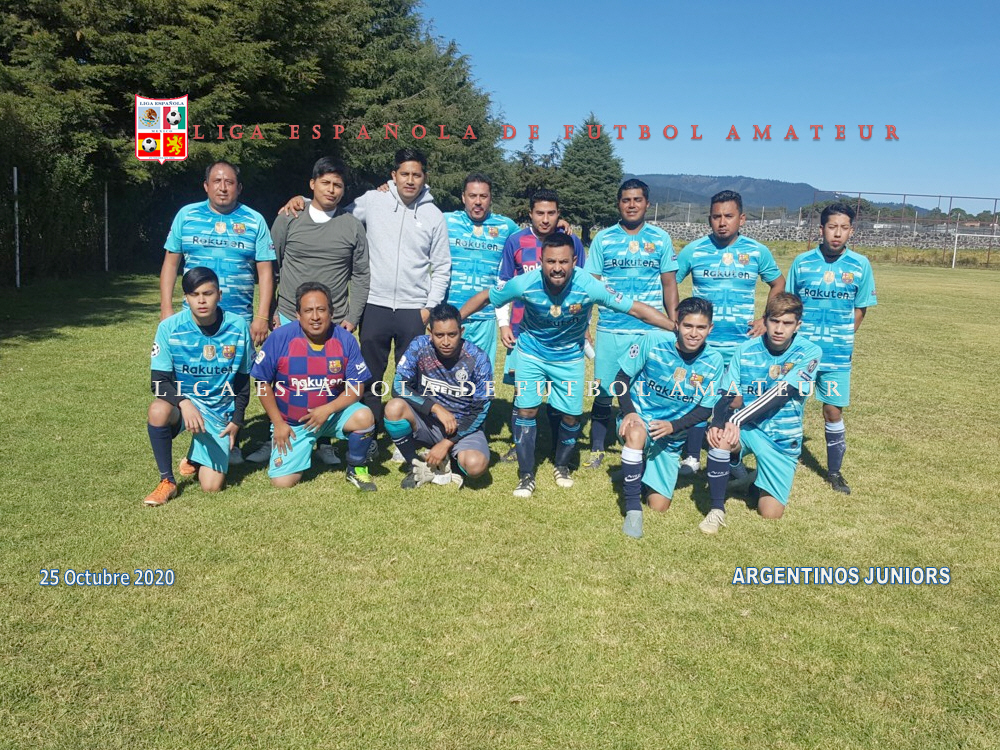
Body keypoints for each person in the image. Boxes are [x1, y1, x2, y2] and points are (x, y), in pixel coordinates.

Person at [461, 234, 675, 497]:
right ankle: (526, 474)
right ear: (541, 261)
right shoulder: (525, 283)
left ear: (574, 261)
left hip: (569, 359)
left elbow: (635, 309)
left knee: (572, 416)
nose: (557, 268)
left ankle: (561, 466)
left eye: (563, 261)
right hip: (531, 355)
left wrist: (673, 326)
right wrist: (455, 318)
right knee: (526, 411)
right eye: (550, 261)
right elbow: (486, 297)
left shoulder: (589, 286)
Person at [279, 149, 450, 446]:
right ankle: (368, 434)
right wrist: (303, 201)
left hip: (414, 308)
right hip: (375, 304)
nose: (410, 180)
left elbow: (442, 266)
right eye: (404, 174)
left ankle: (404, 432)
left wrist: (428, 308)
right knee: (369, 376)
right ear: (394, 175)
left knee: (410, 377)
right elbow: (333, 209)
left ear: (425, 178)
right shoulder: (373, 200)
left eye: (416, 175)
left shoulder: (434, 215)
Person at [246, 156, 370, 467]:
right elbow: (270, 267)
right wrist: (270, 310)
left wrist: (352, 317)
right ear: (312, 184)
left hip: (333, 320)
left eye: (338, 185)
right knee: (285, 381)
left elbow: (361, 274)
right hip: (290, 314)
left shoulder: (352, 226)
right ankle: (276, 432)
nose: (331, 189)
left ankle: (324, 441)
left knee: (328, 383)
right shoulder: (289, 217)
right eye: (325, 182)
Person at [159, 160, 276, 463]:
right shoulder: (187, 216)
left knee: (233, 379)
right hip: (193, 320)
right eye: (217, 181)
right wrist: (167, 308)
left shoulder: (254, 220)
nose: (223, 188)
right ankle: (198, 439)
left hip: (238, 320)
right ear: (206, 186)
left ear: (239, 187)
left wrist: (262, 316)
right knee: (195, 376)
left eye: (230, 182)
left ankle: (229, 439)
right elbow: (171, 263)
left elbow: (265, 271)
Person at [674, 190, 784, 476]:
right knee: (699, 395)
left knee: (734, 400)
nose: (722, 222)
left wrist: (765, 318)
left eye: (729, 216)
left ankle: (730, 457)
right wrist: (677, 320)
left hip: (740, 344)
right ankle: (691, 457)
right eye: (716, 216)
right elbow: (669, 281)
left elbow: (778, 282)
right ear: (709, 219)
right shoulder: (694, 250)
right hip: (703, 344)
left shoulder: (757, 251)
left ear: (742, 219)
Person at [703, 292, 824, 531]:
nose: (779, 329)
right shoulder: (745, 350)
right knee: (721, 438)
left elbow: (782, 392)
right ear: (765, 320)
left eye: (787, 323)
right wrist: (717, 422)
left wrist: (736, 418)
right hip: (749, 429)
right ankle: (716, 509)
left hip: (782, 438)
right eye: (774, 321)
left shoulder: (809, 352)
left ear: (798, 325)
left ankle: (753, 483)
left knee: (770, 514)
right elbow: (727, 392)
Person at [583, 178, 678, 470]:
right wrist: (585, 322)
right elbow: (590, 286)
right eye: (626, 200)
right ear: (618, 204)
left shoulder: (661, 238)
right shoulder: (603, 239)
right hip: (612, 328)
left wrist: (674, 322)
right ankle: (597, 447)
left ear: (647, 204)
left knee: (648, 390)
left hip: (650, 331)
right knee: (603, 390)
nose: (632, 205)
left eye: (637, 200)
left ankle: (648, 443)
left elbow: (669, 283)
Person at [613, 297, 726, 538]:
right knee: (636, 432)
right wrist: (629, 411)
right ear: (676, 325)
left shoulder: (715, 361)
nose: (693, 333)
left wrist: (673, 426)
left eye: (701, 327)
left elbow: (705, 410)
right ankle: (632, 509)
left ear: (710, 329)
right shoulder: (652, 341)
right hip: (640, 420)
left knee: (659, 506)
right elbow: (621, 379)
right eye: (688, 326)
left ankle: (637, 468)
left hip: (671, 437)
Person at [786, 202, 877, 495]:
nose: (837, 233)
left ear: (852, 231)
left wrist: (843, 337)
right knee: (790, 407)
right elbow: (789, 305)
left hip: (837, 354)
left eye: (844, 228)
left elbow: (860, 309)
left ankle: (835, 472)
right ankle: (783, 462)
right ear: (821, 229)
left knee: (832, 411)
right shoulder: (802, 263)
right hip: (801, 353)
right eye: (832, 227)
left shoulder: (860, 265)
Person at [251, 282, 377, 491]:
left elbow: (357, 388)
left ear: (331, 312)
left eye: (321, 310)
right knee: (282, 482)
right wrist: (278, 423)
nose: (315, 317)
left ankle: (357, 466)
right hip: (293, 424)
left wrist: (327, 409)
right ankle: (304, 447)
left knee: (364, 416)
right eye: (308, 310)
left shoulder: (345, 339)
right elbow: (262, 383)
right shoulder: (280, 338)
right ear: (298, 314)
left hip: (331, 416)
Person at [144, 267, 254, 506]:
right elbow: (158, 383)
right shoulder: (169, 328)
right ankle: (167, 481)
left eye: (208, 293)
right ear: (186, 298)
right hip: (185, 407)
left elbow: (243, 381)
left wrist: (237, 420)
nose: (201, 300)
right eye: (194, 294)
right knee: (158, 410)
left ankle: (195, 456)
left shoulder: (238, 327)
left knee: (211, 487)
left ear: (219, 295)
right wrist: (184, 402)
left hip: (218, 412)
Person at [496, 188, 586, 462]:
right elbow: (502, 284)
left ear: (559, 214)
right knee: (522, 391)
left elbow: (584, 288)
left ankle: (556, 444)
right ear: (530, 214)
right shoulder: (516, 241)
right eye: (539, 213)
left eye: (551, 213)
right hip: (523, 331)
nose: (545, 219)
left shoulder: (572, 242)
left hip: (563, 334)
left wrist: (585, 327)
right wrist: (503, 323)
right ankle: (520, 445)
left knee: (561, 391)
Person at [383, 303, 493, 489]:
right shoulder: (420, 345)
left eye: (452, 334)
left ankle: (448, 459)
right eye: (439, 335)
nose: (446, 341)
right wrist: (435, 408)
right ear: (430, 332)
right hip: (428, 421)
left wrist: (447, 443)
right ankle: (415, 465)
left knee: (476, 466)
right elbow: (398, 386)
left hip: (462, 427)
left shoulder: (479, 358)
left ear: (461, 331)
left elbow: (482, 409)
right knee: (393, 408)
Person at [443, 173, 519, 372]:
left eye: (483, 196)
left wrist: (558, 226)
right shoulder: (446, 220)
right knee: (447, 376)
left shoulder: (506, 226)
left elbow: (533, 236)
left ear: (490, 198)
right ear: (463, 197)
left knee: (481, 375)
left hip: (485, 317)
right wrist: (388, 190)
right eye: (472, 196)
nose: (478, 202)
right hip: (449, 314)